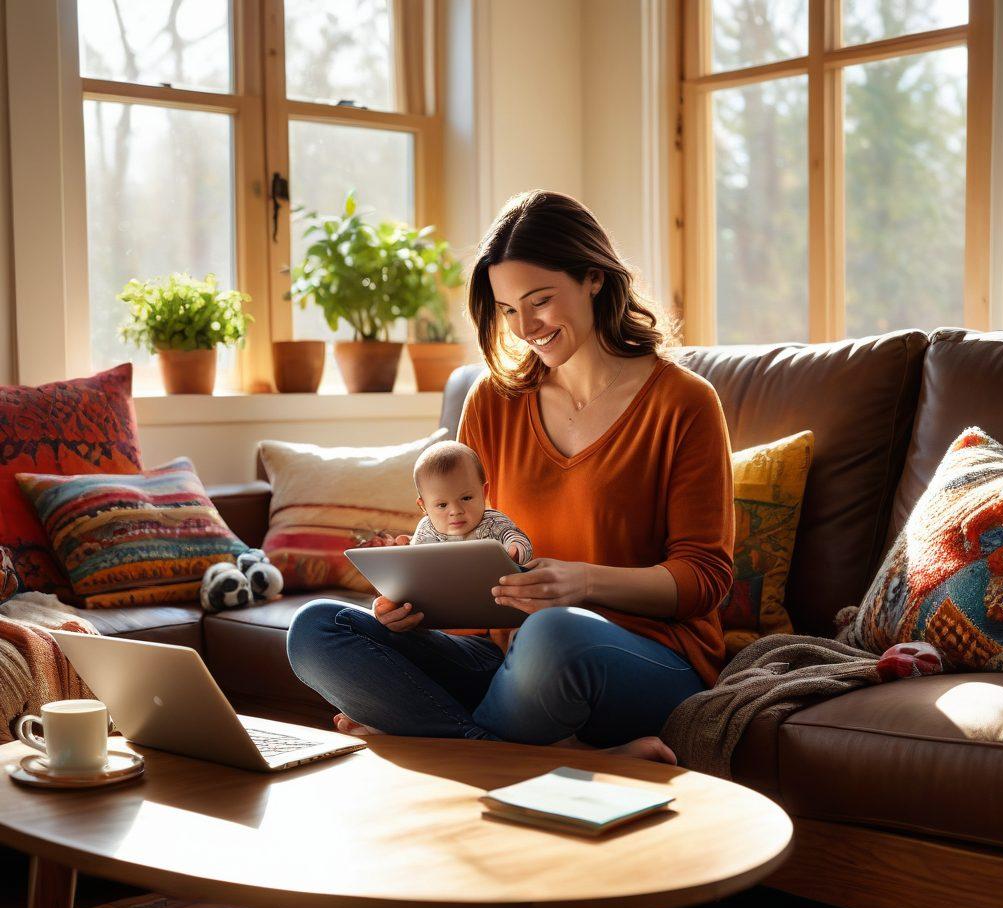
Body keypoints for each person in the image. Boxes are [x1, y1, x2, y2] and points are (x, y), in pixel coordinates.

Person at [287, 190, 735, 764]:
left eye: (541, 300)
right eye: (506, 309)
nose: (525, 326)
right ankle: (573, 757)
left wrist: (584, 584)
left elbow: (704, 578)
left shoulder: (684, 403)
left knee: (554, 631)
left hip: (638, 658)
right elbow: (462, 539)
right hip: (505, 662)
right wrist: (414, 605)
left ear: (594, 278)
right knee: (318, 629)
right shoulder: (493, 401)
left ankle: (425, 743)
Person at [409, 439, 533, 564]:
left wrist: (515, 549)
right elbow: (413, 558)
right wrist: (404, 545)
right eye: (442, 505)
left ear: (483, 492)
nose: (456, 511)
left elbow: (516, 538)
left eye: (466, 498)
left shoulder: (493, 522)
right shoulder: (426, 530)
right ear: (424, 506)